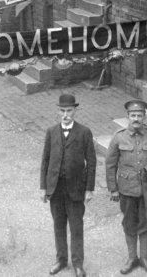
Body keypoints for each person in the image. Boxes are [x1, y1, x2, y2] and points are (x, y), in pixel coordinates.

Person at [106, 100, 147, 275]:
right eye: (133, 115)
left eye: (139, 115)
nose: (136, 118)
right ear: (128, 116)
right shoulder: (119, 137)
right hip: (126, 189)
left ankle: (144, 258)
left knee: (146, 223)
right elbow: (110, 164)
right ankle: (131, 258)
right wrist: (113, 188)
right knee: (129, 224)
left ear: (144, 117)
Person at [40, 94, 96, 277]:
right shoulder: (51, 132)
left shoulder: (84, 132)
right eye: (62, 111)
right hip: (55, 189)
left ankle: (78, 263)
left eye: (69, 111)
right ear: (58, 111)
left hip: (76, 190)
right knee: (58, 225)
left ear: (75, 111)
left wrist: (89, 189)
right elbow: (45, 161)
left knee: (76, 227)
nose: (65, 114)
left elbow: (92, 162)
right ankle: (61, 260)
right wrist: (43, 188)